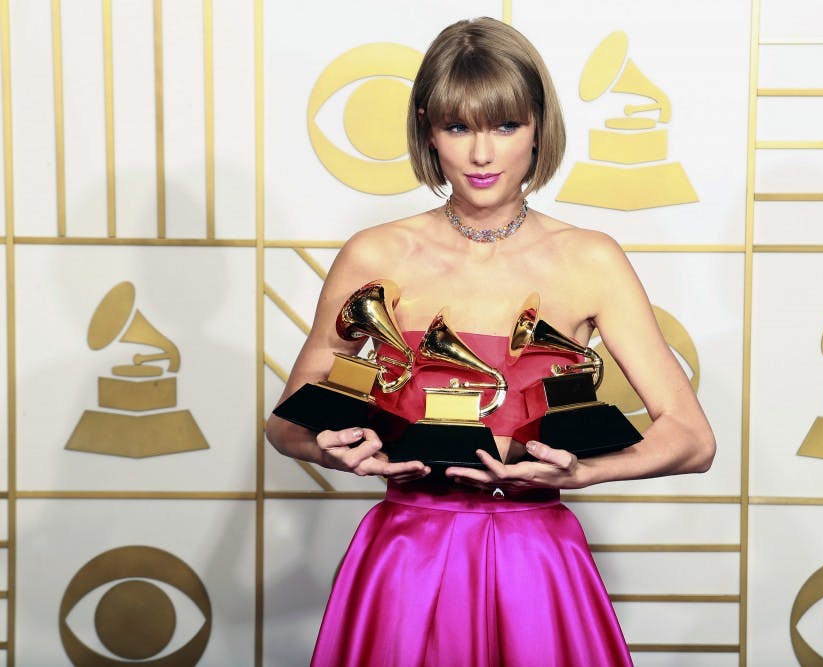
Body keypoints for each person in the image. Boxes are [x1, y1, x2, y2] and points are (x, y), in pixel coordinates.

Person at [266, 16, 716, 667]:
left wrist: (586, 469)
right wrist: (333, 450)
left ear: (538, 127)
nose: (482, 155)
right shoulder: (374, 254)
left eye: (505, 126)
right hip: (403, 561)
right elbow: (287, 424)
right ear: (429, 129)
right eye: (459, 128)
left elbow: (692, 437)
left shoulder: (590, 260)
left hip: (536, 563)